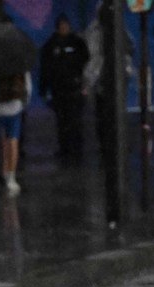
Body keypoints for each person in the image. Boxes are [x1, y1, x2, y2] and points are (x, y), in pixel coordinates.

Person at [83, 2, 135, 170]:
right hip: (101, 79)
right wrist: (90, 79)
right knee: (102, 114)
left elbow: (130, 46)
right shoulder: (93, 30)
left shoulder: (120, 28)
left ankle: (119, 143)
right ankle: (106, 146)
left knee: (118, 112)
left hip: (118, 77)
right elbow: (92, 55)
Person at [40, 15, 89, 161]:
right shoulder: (50, 45)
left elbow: (85, 60)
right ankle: (65, 148)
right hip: (58, 89)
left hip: (74, 87)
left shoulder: (77, 42)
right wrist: (43, 89)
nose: (64, 28)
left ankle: (77, 148)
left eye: (65, 25)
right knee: (62, 121)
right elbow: (46, 69)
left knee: (75, 120)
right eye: (61, 26)